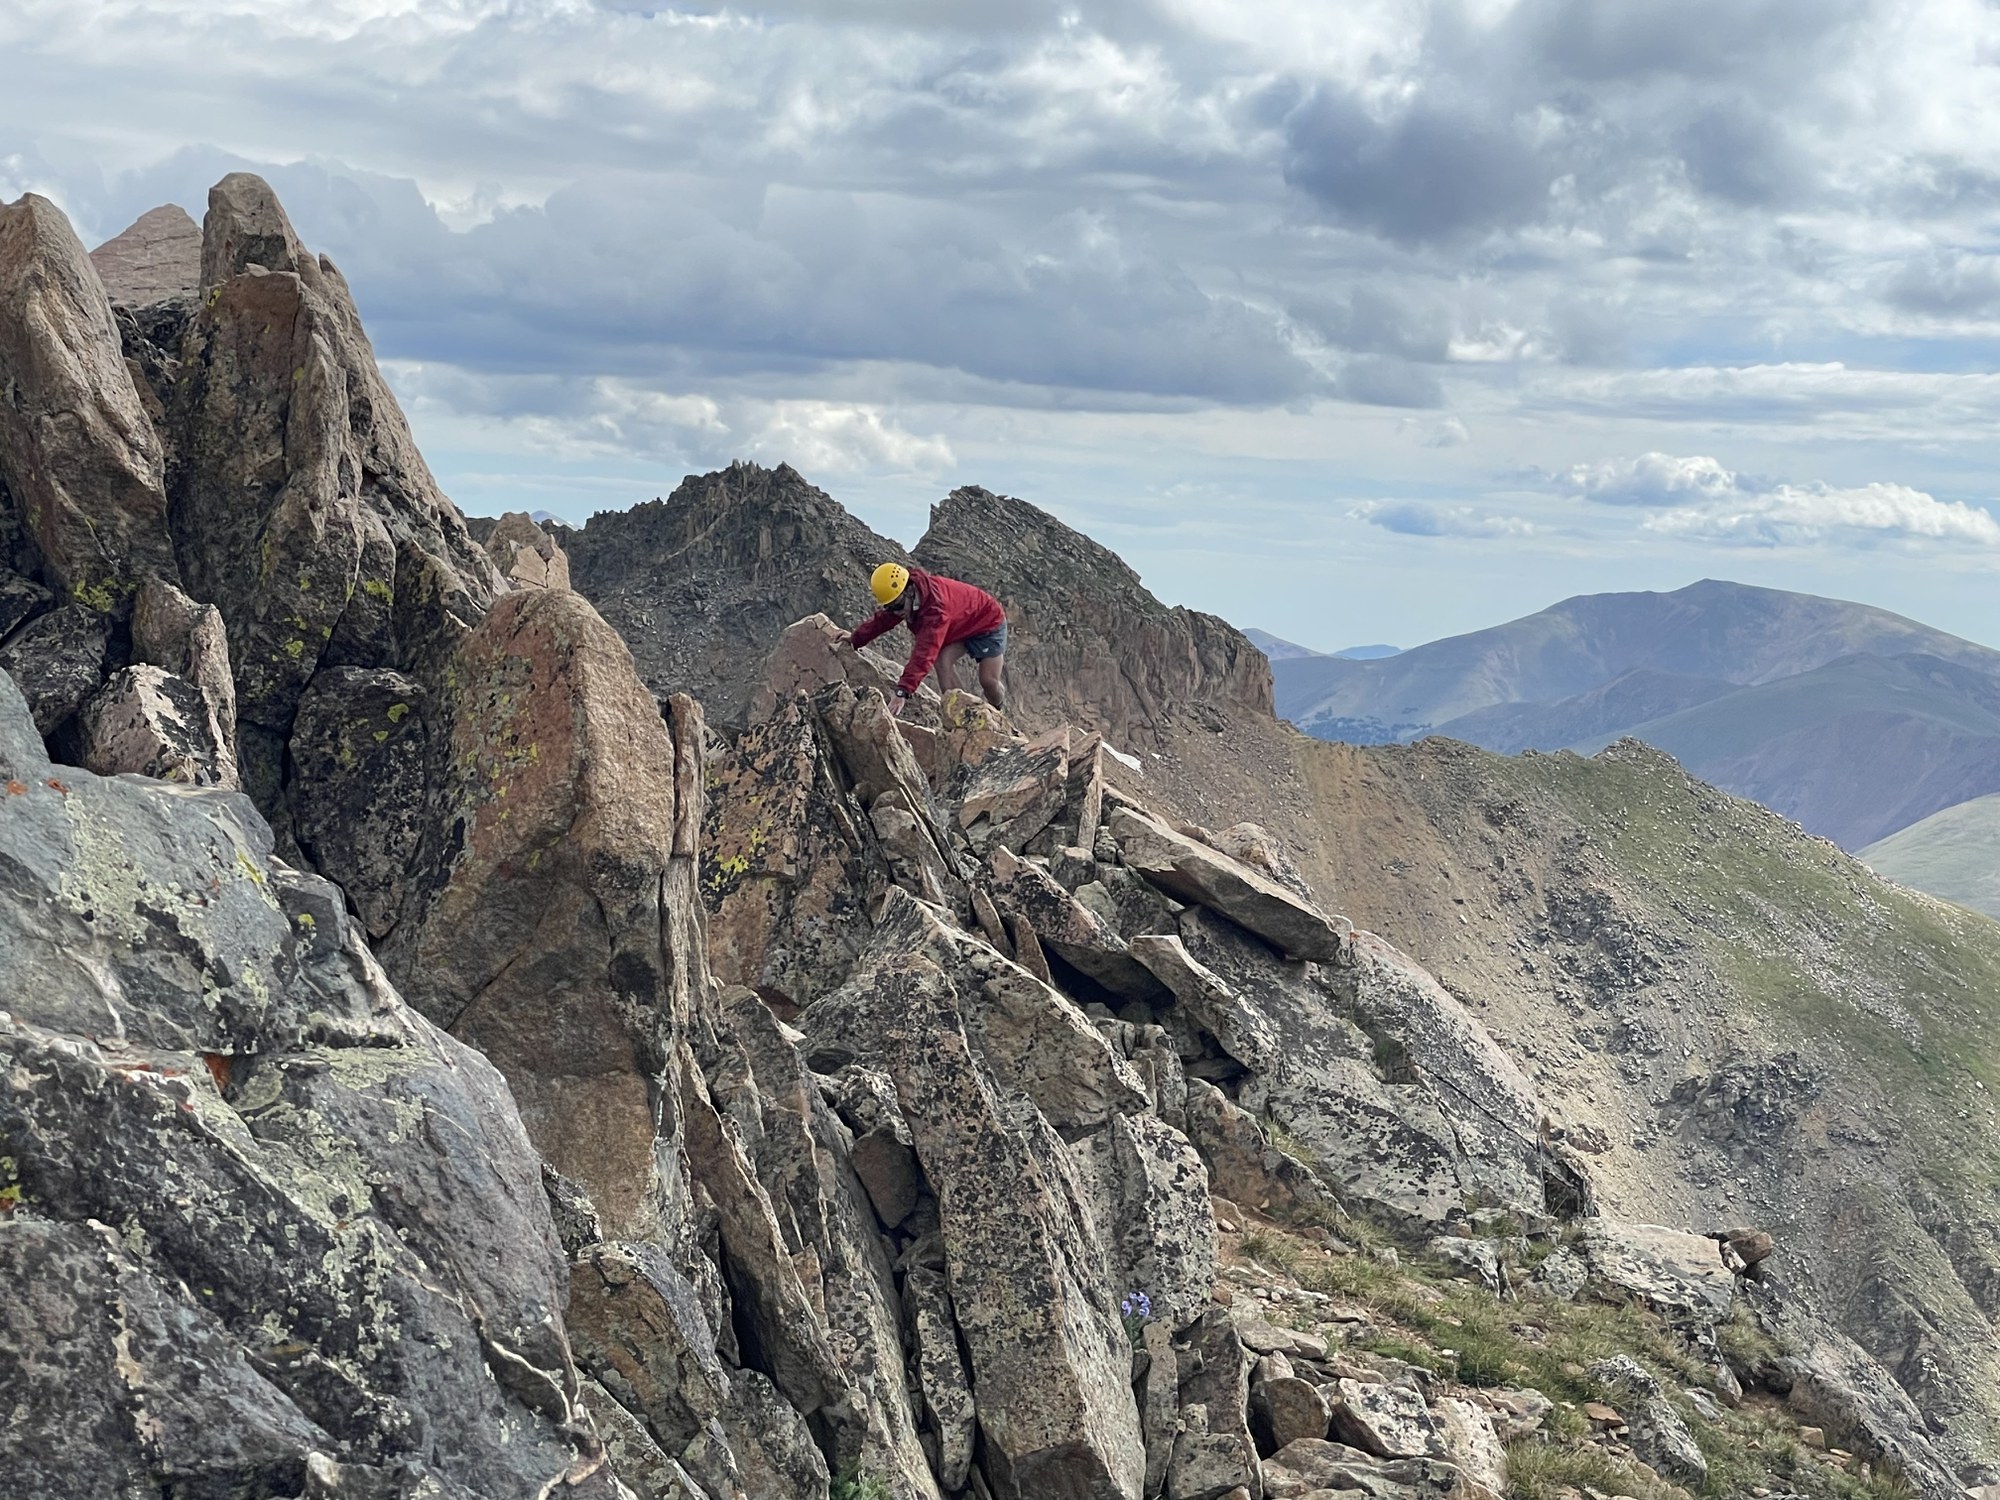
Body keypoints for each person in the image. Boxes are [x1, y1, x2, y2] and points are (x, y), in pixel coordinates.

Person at [838, 562, 1008, 716]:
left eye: (896, 606)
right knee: (942, 661)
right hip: (959, 625)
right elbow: (882, 621)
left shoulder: (936, 609)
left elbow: (925, 653)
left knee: (988, 681)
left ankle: (999, 712)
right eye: (889, 607)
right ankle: (963, 714)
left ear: (909, 591)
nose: (895, 612)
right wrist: (855, 639)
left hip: (988, 622)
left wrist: (902, 691)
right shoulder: (906, 598)